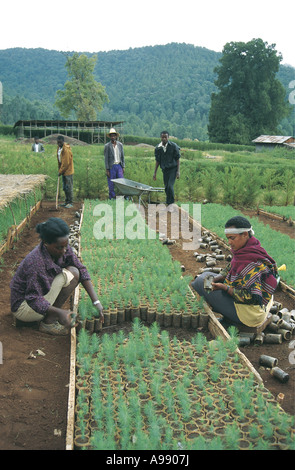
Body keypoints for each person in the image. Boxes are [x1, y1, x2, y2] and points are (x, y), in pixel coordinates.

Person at [10, 217, 104, 335]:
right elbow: (32, 298)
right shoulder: (36, 262)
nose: (64, 251)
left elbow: (81, 269)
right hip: (23, 307)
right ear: (45, 243)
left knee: (75, 271)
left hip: (36, 297)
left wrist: (96, 302)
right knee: (70, 274)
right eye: (59, 247)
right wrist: (60, 312)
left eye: (66, 246)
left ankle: (49, 316)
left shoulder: (62, 248)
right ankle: (48, 323)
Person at [191, 216, 278, 328]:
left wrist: (224, 288)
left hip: (250, 315)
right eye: (228, 238)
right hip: (262, 306)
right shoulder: (251, 249)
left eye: (232, 238)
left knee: (199, 282)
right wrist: (218, 278)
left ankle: (232, 319)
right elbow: (230, 267)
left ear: (245, 234)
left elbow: (252, 297)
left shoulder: (249, 263)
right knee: (206, 277)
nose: (229, 242)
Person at [153, 131, 180, 210]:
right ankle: (168, 204)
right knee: (166, 187)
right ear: (160, 138)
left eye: (165, 137)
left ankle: (171, 203)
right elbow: (158, 161)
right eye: (162, 137)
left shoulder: (173, 146)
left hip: (173, 169)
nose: (164, 139)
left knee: (169, 186)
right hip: (165, 170)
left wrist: (178, 171)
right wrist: (155, 173)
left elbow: (178, 159)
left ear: (168, 138)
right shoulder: (158, 148)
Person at [104, 128, 125, 199]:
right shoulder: (107, 146)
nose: (113, 137)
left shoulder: (120, 145)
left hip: (119, 165)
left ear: (116, 136)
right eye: (111, 136)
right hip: (111, 166)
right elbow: (106, 158)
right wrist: (107, 169)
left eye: (114, 135)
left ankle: (121, 197)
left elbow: (122, 156)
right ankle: (112, 197)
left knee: (121, 182)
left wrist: (123, 167)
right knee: (111, 183)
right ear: (110, 137)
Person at [57, 135, 74, 208]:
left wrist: (60, 171)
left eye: (60, 142)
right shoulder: (59, 148)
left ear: (63, 142)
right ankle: (66, 201)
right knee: (65, 187)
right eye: (58, 142)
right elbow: (60, 160)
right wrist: (60, 170)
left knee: (68, 187)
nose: (59, 144)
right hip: (63, 170)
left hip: (67, 171)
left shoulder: (66, 150)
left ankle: (70, 202)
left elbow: (66, 163)